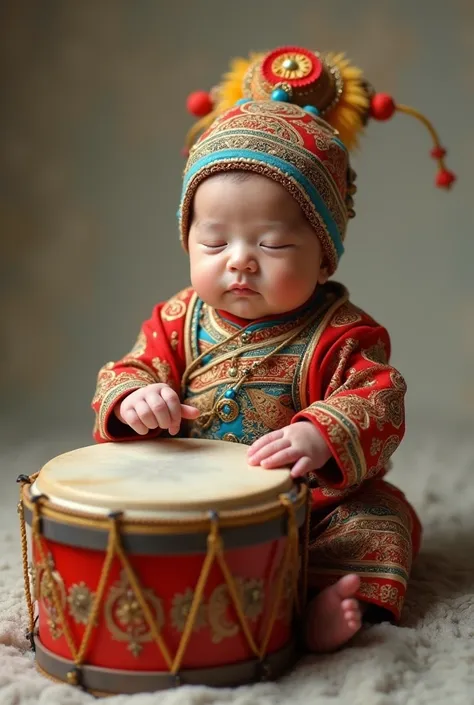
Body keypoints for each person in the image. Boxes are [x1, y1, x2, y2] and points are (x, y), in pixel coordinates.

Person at [92, 46, 454, 652]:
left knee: (381, 526)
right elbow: (129, 367)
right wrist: (135, 397)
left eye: (273, 244)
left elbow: (380, 398)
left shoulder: (341, 333)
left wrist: (322, 433)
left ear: (323, 253)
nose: (240, 259)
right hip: (192, 500)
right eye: (213, 243)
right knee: (115, 517)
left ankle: (321, 607)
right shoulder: (178, 319)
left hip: (304, 511)